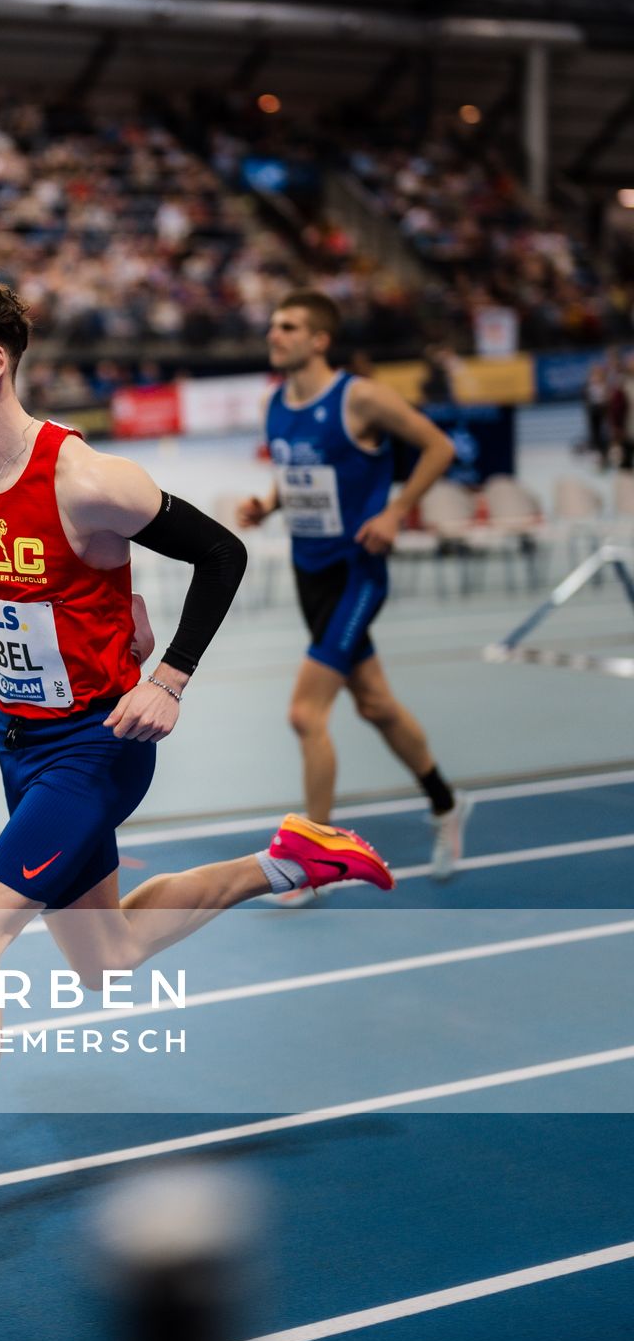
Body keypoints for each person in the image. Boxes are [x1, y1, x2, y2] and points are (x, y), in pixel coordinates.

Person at [0, 270, 392, 1269]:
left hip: (94, 749)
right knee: (106, 957)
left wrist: (169, 676)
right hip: (15, 740)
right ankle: (289, 859)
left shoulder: (86, 478)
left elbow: (219, 555)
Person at [237, 289, 465, 903]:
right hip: (310, 575)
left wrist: (396, 510)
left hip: (358, 574)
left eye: (288, 326)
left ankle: (314, 865)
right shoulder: (275, 406)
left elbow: (439, 447)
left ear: (319, 340)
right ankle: (447, 804)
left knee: (305, 714)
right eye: (273, 324)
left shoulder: (359, 397)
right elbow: (297, 473)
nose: (274, 333)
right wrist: (267, 504)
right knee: (377, 706)